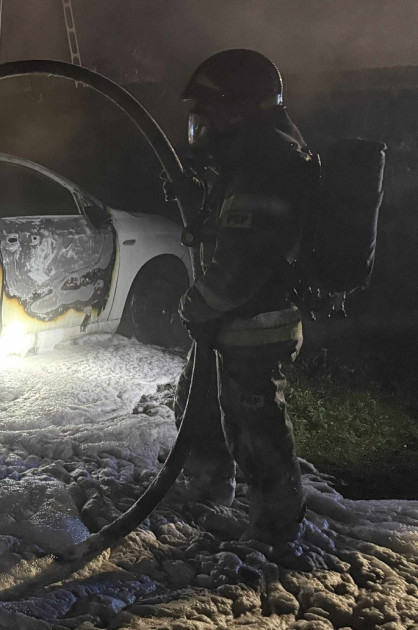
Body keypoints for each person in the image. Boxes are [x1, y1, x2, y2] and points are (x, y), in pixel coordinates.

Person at [171, 49, 315, 546]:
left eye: (208, 112)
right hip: (237, 319)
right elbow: (233, 233)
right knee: (197, 401)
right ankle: (210, 487)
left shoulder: (268, 160)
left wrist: (201, 303)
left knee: (256, 429)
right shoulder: (253, 154)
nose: (200, 126)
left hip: (257, 322)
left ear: (237, 108)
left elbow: (246, 257)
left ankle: (276, 530)